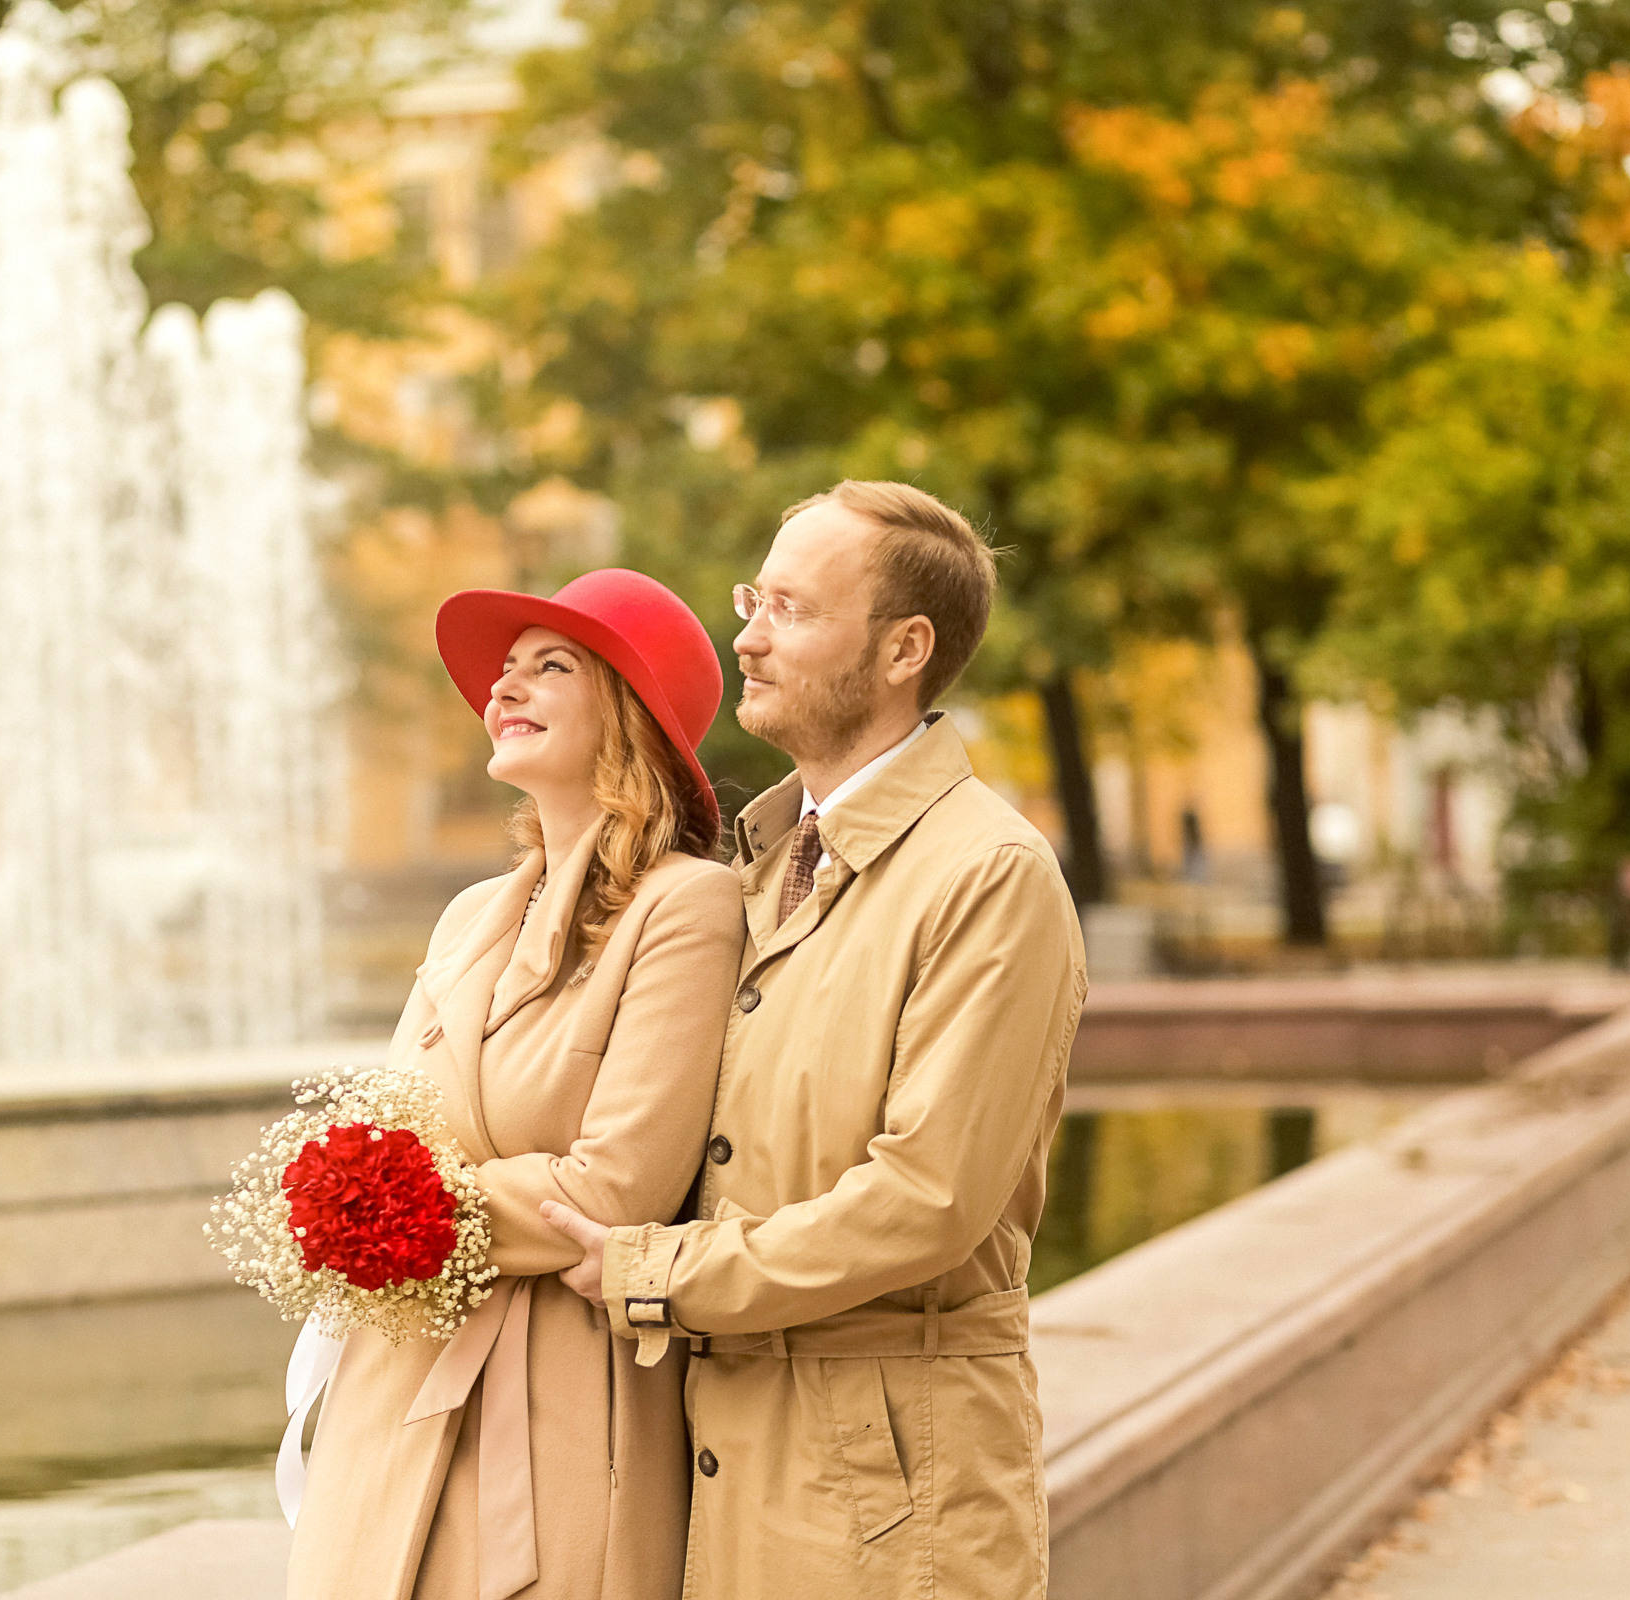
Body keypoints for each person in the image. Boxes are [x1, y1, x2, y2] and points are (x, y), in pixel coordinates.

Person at [543, 481, 1089, 1600]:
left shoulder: (989, 874)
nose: (747, 637)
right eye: (754, 600)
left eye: (790, 610)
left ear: (904, 650)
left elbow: (927, 1198)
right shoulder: (756, 863)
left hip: (890, 1495)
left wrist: (653, 1271)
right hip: (724, 1456)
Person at [285, 569, 747, 1600]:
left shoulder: (687, 906)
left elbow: (614, 1189)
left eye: (552, 666)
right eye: (505, 669)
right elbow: (388, 1131)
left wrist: (403, 1216)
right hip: (394, 1381)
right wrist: (353, 1202)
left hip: (557, 1393)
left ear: (628, 711)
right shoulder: (469, 916)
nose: (505, 687)